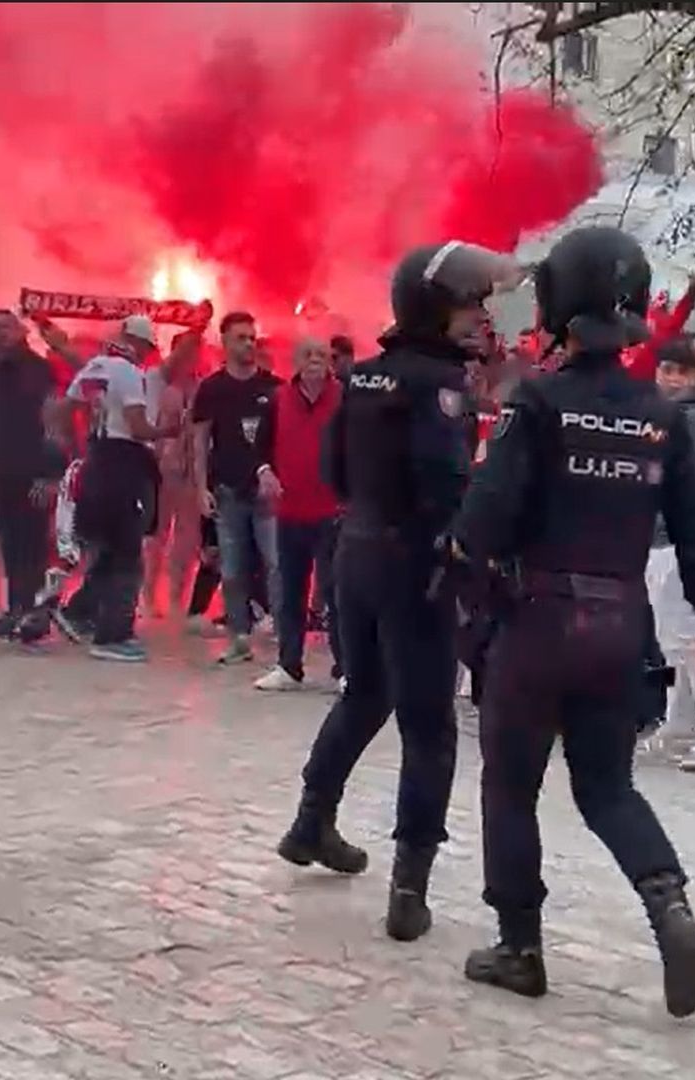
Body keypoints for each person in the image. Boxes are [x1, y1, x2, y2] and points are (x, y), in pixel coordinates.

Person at [453, 226, 695, 1018]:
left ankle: (520, 947)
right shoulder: (661, 414)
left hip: (538, 623)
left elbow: (485, 520)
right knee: (608, 788)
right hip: (622, 625)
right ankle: (668, 900)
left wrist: (470, 592)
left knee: (511, 787)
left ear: (559, 305)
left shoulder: (537, 402)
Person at [274, 240, 502, 943]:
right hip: (416, 565)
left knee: (365, 694)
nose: (481, 318)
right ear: (437, 309)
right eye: (472, 305)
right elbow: (447, 485)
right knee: (429, 726)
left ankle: (312, 821)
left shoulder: (367, 376)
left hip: (358, 553)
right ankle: (410, 889)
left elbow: (333, 468)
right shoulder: (441, 386)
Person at [42, 314, 167, 660]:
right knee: (128, 553)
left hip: (96, 459)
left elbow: (63, 410)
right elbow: (138, 427)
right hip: (124, 463)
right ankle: (113, 636)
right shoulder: (128, 372)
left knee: (109, 550)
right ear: (137, 342)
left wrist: (72, 443)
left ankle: (79, 613)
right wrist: (168, 430)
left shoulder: (96, 366)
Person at [643, 337, 695, 767]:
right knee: (674, 641)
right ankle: (679, 721)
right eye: (666, 370)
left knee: (693, 639)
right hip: (661, 540)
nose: (672, 379)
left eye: (681, 372)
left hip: (682, 543)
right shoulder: (667, 416)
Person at [0, 310, 63, 636]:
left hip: (32, 467)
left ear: (20, 332)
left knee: (32, 543)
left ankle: (33, 612)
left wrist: (51, 475)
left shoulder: (38, 370)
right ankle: (18, 608)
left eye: (5, 327)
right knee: (8, 541)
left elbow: (52, 423)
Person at [191, 312, 282, 664]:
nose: (248, 343)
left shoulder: (273, 387)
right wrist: (201, 488)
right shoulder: (212, 389)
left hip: (266, 492)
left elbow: (286, 440)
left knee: (276, 564)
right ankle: (239, 637)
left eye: (251, 337)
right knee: (231, 568)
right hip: (227, 490)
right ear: (224, 343)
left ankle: (282, 636)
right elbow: (199, 442)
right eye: (241, 337)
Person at [255, 337, 345, 691]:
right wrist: (265, 472)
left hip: (333, 511)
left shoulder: (345, 399)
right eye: (307, 354)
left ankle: (345, 668)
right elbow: (260, 448)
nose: (314, 361)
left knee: (335, 593)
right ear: (295, 361)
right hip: (289, 511)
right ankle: (288, 665)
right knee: (289, 591)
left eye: (321, 355)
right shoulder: (278, 400)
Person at [143, 330, 205, 620]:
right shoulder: (158, 384)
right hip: (164, 468)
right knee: (157, 534)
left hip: (193, 471)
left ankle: (176, 598)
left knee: (187, 539)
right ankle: (148, 596)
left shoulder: (203, 388)